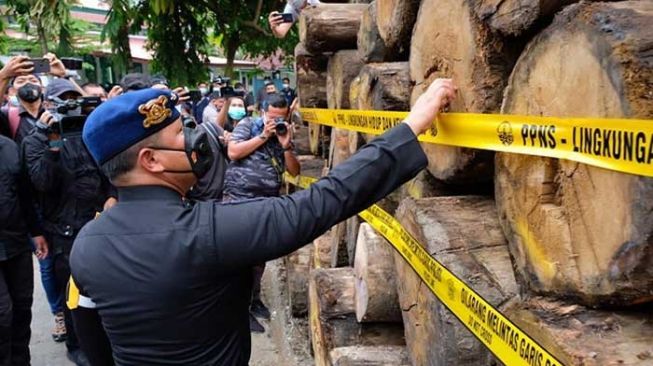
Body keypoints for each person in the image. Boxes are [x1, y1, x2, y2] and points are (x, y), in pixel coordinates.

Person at [69, 78, 456, 365]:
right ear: (151, 161)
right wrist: (411, 126)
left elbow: (93, 344)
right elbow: (324, 200)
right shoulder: (212, 231)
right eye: (179, 135)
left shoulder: (85, 246)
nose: (195, 142)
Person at [22, 78, 115, 366]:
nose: (72, 107)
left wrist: (112, 197)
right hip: (64, 232)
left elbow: (112, 171)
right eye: (66, 101)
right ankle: (78, 346)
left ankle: (107, 341)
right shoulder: (35, 140)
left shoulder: (92, 134)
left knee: (104, 289)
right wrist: (52, 144)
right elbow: (42, 183)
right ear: (50, 104)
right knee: (72, 295)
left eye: (77, 100)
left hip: (98, 224)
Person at [222, 93, 300, 332]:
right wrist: (264, 135)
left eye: (281, 118)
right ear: (263, 112)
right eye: (272, 117)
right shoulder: (248, 125)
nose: (276, 122)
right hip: (238, 200)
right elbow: (233, 152)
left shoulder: (283, 133)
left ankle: (254, 300)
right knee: (239, 258)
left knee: (259, 257)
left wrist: (285, 146)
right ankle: (236, 310)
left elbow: (295, 172)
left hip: (267, 203)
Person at [0, 134, 48, 365]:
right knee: (2, 314)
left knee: (22, 306)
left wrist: (36, 232)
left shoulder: (8, 147)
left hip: (15, 242)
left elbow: (25, 196)